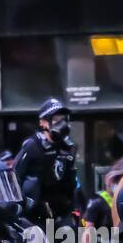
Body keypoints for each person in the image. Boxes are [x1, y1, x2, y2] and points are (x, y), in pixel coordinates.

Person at [13, 99, 80, 232]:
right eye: (56, 119)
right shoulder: (32, 146)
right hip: (34, 214)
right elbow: (15, 176)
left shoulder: (68, 148)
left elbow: (70, 182)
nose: (62, 123)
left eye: (64, 119)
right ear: (43, 122)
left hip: (60, 212)